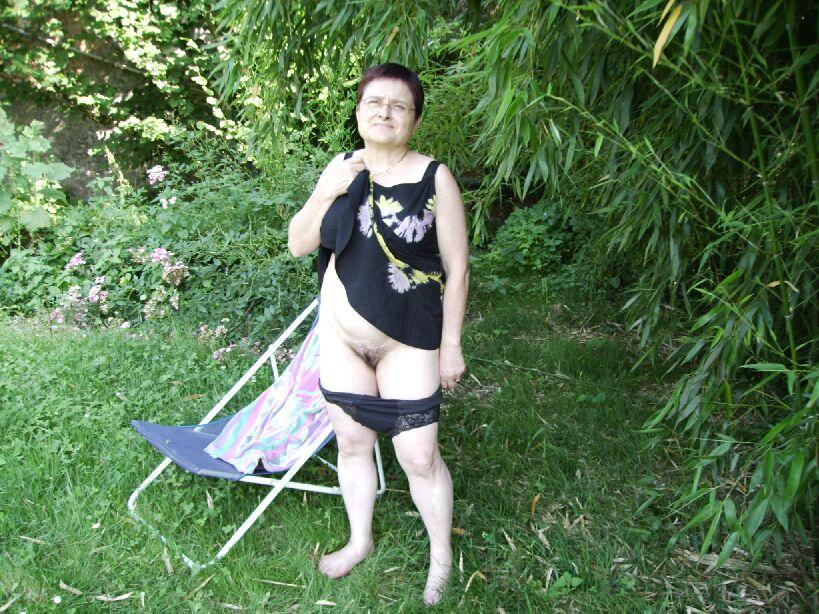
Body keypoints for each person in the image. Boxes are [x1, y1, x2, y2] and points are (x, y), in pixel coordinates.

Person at [287, 63, 469, 606]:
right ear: (359, 111)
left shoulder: (434, 177)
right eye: (375, 102)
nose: (385, 112)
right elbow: (299, 244)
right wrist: (325, 191)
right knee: (352, 444)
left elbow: (458, 267)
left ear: (414, 119)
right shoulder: (340, 169)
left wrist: (451, 346)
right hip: (342, 339)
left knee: (419, 455)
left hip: (409, 338)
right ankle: (359, 540)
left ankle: (441, 558)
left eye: (399, 105)